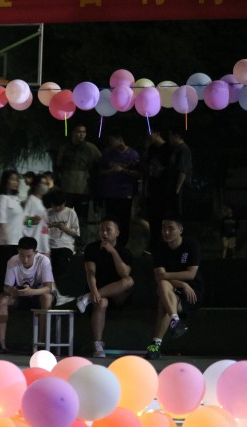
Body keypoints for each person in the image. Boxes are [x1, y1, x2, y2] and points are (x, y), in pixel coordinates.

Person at [144, 213, 202, 360]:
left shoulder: (191, 246)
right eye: (163, 228)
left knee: (163, 300)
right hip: (172, 289)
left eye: (171, 228)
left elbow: (191, 274)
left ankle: (155, 345)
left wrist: (173, 278)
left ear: (180, 230)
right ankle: (175, 321)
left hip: (191, 293)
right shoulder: (159, 249)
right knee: (163, 286)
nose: (166, 232)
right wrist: (181, 283)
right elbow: (159, 277)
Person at [75, 218, 134, 358]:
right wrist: (94, 291)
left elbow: (124, 274)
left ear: (117, 232)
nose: (104, 233)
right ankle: (98, 344)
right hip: (98, 291)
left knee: (129, 281)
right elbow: (90, 272)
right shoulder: (91, 248)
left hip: (118, 295)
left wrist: (113, 252)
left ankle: (86, 298)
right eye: (102, 230)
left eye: (108, 230)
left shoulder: (124, 252)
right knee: (101, 303)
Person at [0, 237, 56, 354]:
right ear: (18, 251)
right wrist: (13, 291)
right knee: (1, 299)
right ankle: (1, 343)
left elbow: (48, 288)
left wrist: (31, 291)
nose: (25, 259)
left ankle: (42, 342)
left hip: (38, 295)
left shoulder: (44, 261)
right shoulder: (12, 261)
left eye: (29, 256)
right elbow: (6, 287)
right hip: (21, 296)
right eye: (22, 255)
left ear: (35, 252)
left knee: (47, 298)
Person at [98, 130, 141, 247]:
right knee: (110, 219)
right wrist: (111, 171)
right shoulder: (107, 153)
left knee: (124, 220)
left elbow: (138, 174)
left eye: (112, 140)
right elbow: (101, 171)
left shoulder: (132, 154)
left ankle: (122, 244)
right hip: (110, 192)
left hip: (125, 193)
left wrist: (123, 170)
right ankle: (109, 242)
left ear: (119, 139)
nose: (111, 143)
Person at [56, 123, 102, 225]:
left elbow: (101, 162)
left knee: (81, 219)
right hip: (67, 188)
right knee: (64, 217)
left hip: (83, 189)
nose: (81, 134)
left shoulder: (91, 148)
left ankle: (80, 234)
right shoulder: (65, 148)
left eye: (84, 132)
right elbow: (58, 165)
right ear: (73, 133)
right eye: (79, 132)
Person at [0, 170, 24, 297]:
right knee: (2, 270)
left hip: (15, 241)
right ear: (5, 181)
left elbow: (22, 220)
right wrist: (5, 239)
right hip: (3, 242)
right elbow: (1, 220)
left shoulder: (16, 199)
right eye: (12, 179)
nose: (15, 183)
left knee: (12, 271)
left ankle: (10, 297)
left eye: (17, 180)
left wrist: (32, 222)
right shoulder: (2, 198)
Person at [143, 130, 172, 253]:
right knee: (153, 218)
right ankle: (153, 245)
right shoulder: (151, 149)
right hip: (152, 188)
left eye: (150, 133)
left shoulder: (168, 148)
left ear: (157, 133)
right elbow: (147, 168)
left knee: (163, 218)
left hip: (164, 189)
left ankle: (164, 244)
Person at [47, 190, 80, 285]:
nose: (57, 208)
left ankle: (58, 287)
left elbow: (76, 233)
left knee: (60, 264)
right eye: (54, 205)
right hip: (49, 245)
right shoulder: (47, 212)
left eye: (59, 205)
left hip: (64, 245)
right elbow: (29, 223)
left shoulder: (71, 212)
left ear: (64, 203)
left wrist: (65, 229)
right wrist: (34, 221)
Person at [165, 127, 192, 214]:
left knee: (177, 213)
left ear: (176, 136)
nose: (169, 138)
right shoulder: (176, 149)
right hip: (173, 186)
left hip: (181, 188)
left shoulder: (183, 149)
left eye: (170, 136)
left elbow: (183, 171)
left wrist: (177, 189)